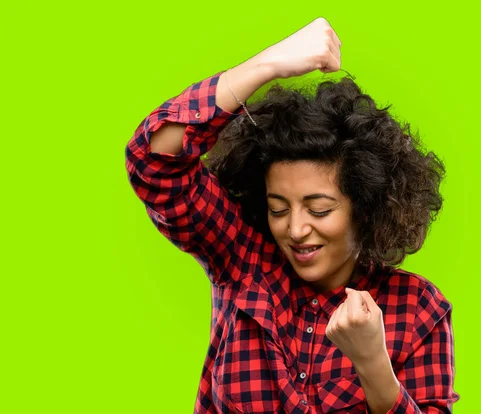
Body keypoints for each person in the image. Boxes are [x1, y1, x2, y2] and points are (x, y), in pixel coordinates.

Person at [125, 17, 459, 414]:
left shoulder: (417, 308)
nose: (296, 229)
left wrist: (372, 364)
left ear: (365, 206)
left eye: (319, 209)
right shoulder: (243, 262)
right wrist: (268, 65)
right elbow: (154, 162)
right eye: (278, 209)